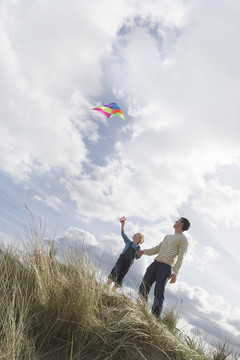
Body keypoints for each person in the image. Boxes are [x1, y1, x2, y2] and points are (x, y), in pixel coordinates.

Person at [138, 217, 190, 317]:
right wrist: (144, 252)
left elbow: (181, 256)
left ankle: (154, 318)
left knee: (158, 293)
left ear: (182, 224)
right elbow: (157, 248)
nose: (175, 221)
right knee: (143, 287)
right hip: (155, 264)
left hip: (166, 267)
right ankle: (140, 311)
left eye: (178, 220)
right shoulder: (167, 236)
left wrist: (175, 272)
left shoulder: (183, 240)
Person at [107, 217, 144, 292]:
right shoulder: (128, 242)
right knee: (114, 273)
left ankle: (112, 292)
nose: (135, 234)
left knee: (120, 278)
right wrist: (123, 224)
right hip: (121, 260)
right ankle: (105, 288)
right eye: (135, 233)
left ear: (139, 240)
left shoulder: (138, 249)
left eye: (137, 235)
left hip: (128, 265)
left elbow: (136, 257)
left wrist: (139, 256)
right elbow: (123, 233)